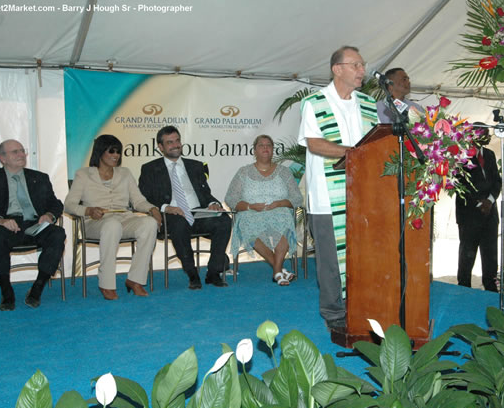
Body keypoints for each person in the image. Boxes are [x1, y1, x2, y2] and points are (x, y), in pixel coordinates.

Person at [298, 46, 378, 330]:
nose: (362, 70)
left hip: (365, 195)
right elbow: (314, 143)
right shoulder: (314, 103)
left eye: (362, 64)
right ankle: (335, 316)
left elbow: (378, 144)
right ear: (337, 69)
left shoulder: (369, 104)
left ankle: (362, 307)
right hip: (326, 198)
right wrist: (352, 153)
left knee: (363, 255)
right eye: (355, 65)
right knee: (332, 260)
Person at [0, 139, 66, 310]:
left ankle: (38, 287)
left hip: (35, 224)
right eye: (15, 152)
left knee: (57, 233)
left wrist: (49, 215)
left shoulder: (39, 178)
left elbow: (55, 204)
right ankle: (7, 292)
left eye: (22, 151)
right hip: (7, 226)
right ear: (2, 158)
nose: (21, 155)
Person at [64, 135, 161, 300]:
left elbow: (138, 201)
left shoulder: (125, 173)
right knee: (112, 225)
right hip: (95, 222)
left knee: (149, 223)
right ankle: (106, 283)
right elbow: (69, 205)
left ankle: (135, 280)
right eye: (111, 151)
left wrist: (153, 209)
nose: (116, 155)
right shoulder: (83, 174)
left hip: (124, 218)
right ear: (100, 152)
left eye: (118, 152)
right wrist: (88, 211)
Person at [139, 126, 232, 289]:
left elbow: (205, 193)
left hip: (197, 212)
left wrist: (213, 204)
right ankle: (192, 274)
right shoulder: (150, 169)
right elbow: (145, 197)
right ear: (160, 147)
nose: (175, 145)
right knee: (179, 224)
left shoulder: (195, 166)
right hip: (171, 215)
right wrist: (166, 207)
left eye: (177, 141)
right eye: (169, 142)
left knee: (224, 221)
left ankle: (213, 272)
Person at [225, 135, 303, 286]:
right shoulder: (244, 172)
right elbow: (231, 198)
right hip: (251, 212)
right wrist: (249, 206)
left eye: (269, 145)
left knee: (286, 219)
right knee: (246, 225)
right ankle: (279, 269)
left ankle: (277, 271)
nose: (265, 148)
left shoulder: (284, 172)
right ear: (254, 150)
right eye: (261, 145)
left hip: (279, 210)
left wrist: (280, 203)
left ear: (273, 150)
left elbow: (297, 198)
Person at [456, 124, 501, 292]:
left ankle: (490, 289)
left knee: (490, 255)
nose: (489, 137)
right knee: (467, 255)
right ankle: (464, 290)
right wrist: (479, 203)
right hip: (469, 214)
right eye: (486, 134)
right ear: (474, 135)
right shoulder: (461, 155)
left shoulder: (489, 155)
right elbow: (460, 184)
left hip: (490, 214)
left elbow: (497, 181)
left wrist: (489, 201)